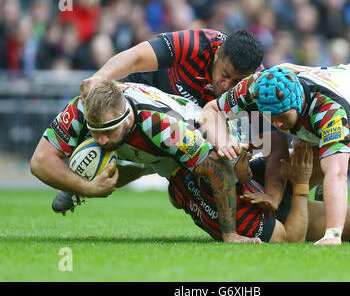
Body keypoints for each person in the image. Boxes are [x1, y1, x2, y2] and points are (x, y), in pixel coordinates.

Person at [200, 59, 350, 245]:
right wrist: (223, 142)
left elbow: (337, 174)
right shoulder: (257, 88)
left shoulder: (328, 111)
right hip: (337, 89)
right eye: (271, 117)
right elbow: (212, 110)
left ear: (297, 104)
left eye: (282, 117)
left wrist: (333, 234)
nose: (278, 125)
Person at [30, 79, 260, 243]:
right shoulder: (83, 107)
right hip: (145, 145)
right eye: (94, 131)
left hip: (190, 141)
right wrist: (84, 186)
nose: (100, 139)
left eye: (108, 130)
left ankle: (176, 188)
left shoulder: (162, 128)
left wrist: (231, 235)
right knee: (122, 157)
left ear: (126, 117)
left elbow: (218, 170)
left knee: (236, 183)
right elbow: (40, 161)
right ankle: (82, 182)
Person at [169, 139, 350, 243]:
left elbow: (174, 192)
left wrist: (249, 176)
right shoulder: (242, 223)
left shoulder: (184, 179)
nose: (244, 154)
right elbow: (291, 237)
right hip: (285, 216)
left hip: (266, 184)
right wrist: (301, 185)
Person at [79, 29, 264, 107]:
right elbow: (135, 57)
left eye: (237, 81)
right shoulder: (196, 44)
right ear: (217, 55)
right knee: (93, 105)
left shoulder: (260, 82)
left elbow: (272, 140)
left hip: (192, 122)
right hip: (152, 86)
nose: (227, 86)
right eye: (225, 75)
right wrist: (99, 78)